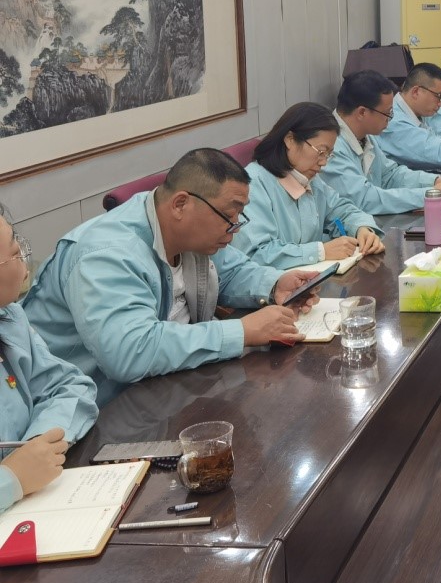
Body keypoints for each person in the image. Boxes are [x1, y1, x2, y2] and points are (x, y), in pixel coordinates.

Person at [23, 149, 319, 403]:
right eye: (229, 216)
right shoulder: (106, 254)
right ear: (180, 204)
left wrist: (274, 284)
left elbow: (230, 271)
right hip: (95, 404)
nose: (235, 228)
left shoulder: (182, 225)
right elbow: (129, 352)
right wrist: (241, 332)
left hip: (166, 383)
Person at [0, 205, 97, 512]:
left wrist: (42, 443)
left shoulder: (9, 318)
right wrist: (11, 479)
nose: (24, 264)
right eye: (15, 253)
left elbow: (69, 387)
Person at [232, 103, 385, 269]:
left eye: (329, 154)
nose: (324, 162)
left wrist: (361, 228)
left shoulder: (306, 177)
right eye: (321, 152)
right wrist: (321, 251)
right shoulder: (253, 185)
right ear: (290, 139)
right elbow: (257, 254)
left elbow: (341, 209)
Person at [321, 70, 441, 215]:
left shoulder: (365, 136)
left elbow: (390, 175)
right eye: (387, 113)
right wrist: (430, 195)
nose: (390, 119)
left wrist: (433, 181)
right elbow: (365, 200)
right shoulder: (331, 147)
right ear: (362, 112)